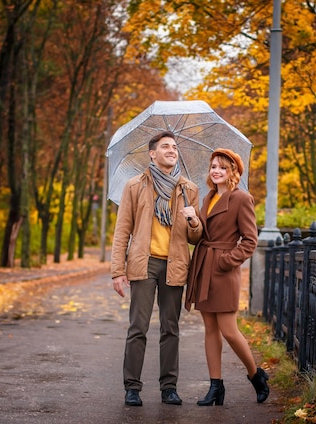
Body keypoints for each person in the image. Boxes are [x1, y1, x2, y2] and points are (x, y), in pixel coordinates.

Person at [111, 130, 202, 407]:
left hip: (174, 265)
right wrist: (117, 270)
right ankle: (132, 387)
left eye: (174, 147)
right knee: (137, 327)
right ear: (152, 153)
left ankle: (169, 388)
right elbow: (122, 229)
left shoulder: (189, 189)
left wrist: (194, 220)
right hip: (143, 263)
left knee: (170, 329)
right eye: (165, 147)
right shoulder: (135, 186)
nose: (172, 150)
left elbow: (195, 238)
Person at [185, 148, 270, 406]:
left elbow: (250, 241)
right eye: (213, 166)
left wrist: (226, 261)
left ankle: (256, 376)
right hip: (203, 268)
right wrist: (191, 221)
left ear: (233, 171)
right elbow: (199, 237)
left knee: (229, 330)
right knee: (210, 329)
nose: (216, 171)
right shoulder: (207, 198)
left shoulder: (241, 198)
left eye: (222, 167)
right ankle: (215, 387)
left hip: (223, 271)